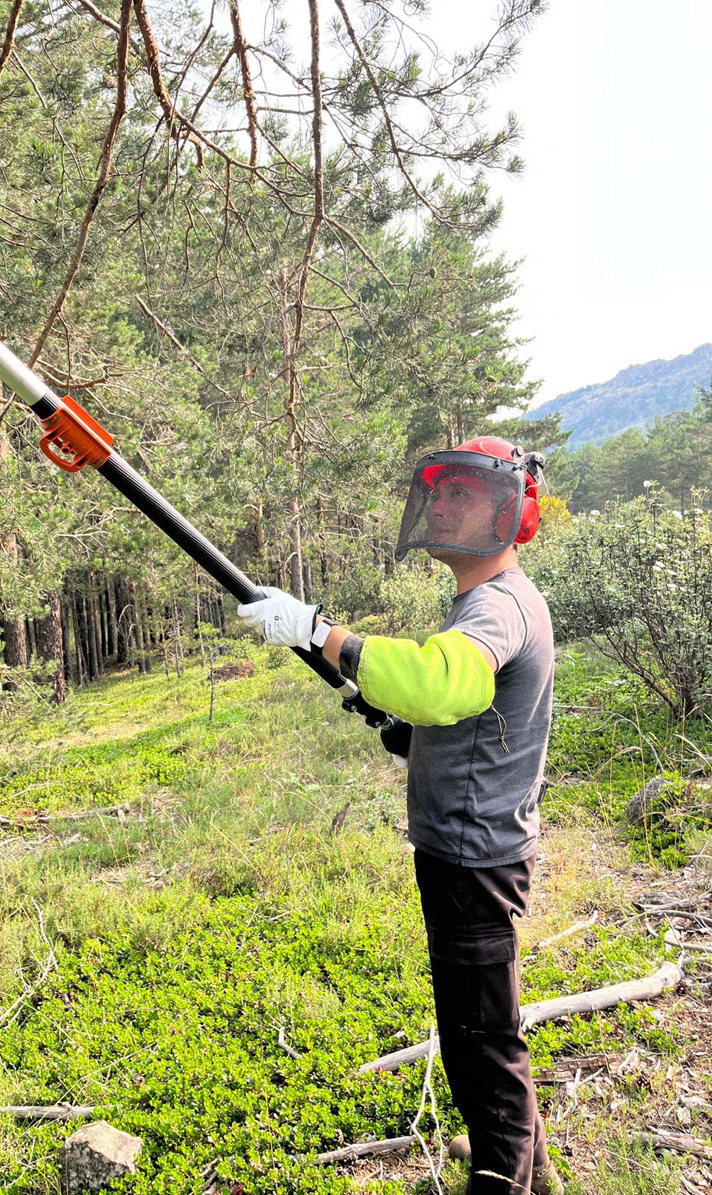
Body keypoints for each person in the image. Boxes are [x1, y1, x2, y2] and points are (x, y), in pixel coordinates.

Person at [236, 437, 561, 1195]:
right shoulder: (487, 602)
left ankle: (501, 1177)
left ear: (509, 509)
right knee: (485, 1027)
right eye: (439, 492)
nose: (444, 503)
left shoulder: (498, 605)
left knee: (481, 1042)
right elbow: (457, 719)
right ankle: (532, 1168)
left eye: (463, 492)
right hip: (466, 850)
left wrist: (321, 632)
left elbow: (441, 683)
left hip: (474, 861)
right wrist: (394, 723)